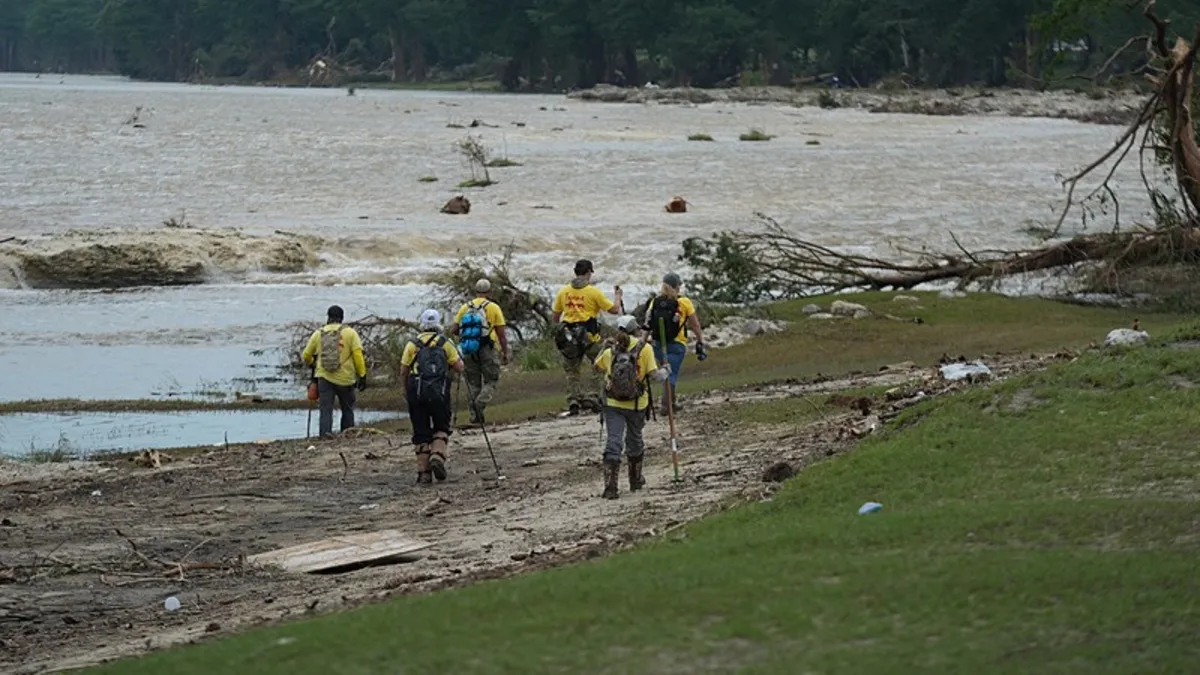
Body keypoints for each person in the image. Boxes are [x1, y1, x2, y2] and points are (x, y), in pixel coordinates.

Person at [593, 315, 670, 499]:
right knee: (634, 440)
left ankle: (610, 487)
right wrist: (666, 370)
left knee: (614, 441)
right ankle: (635, 480)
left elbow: (596, 367)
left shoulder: (611, 350)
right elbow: (655, 376)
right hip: (637, 404)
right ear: (636, 329)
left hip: (612, 403)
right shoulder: (645, 349)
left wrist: (603, 347)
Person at [399, 309, 465, 484]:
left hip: (416, 391)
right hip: (440, 391)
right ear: (438, 324)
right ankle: (437, 454)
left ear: (422, 324)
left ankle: (424, 473)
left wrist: (405, 389)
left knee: (420, 430)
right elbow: (459, 367)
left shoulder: (412, 344)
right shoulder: (445, 343)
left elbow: (404, 370)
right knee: (441, 425)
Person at [552, 259, 624, 415]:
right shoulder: (593, 292)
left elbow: (556, 317)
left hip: (569, 337)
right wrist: (618, 296)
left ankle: (573, 400)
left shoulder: (563, 292)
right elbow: (614, 310)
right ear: (588, 272)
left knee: (572, 371)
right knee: (600, 364)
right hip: (589, 337)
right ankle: (593, 395)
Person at [642, 272, 707, 415]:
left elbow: (647, 323)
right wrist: (700, 340)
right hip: (677, 344)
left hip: (658, 345)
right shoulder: (684, 302)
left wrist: (642, 342)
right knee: (671, 374)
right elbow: (695, 324)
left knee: (666, 371)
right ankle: (666, 406)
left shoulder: (655, 301)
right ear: (677, 286)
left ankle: (672, 403)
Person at [301, 305, 367, 438]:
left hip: (324, 378)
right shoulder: (350, 333)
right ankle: (348, 436)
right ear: (342, 318)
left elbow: (306, 355)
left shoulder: (319, 333)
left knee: (325, 410)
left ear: (328, 317)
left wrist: (313, 363)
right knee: (347, 409)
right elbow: (358, 356)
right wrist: (362, 375)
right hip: (346, 379)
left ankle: (325, 437)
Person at [450, 279, 509, 425]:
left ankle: (475, 417)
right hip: (488, 348)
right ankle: (480, 403)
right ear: (489, 292)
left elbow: (454, 330)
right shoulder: (493, 307)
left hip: (469, 349)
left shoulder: (465, 307)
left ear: (475, 291)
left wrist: (468, 337)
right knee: (491, 380)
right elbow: (501, 334)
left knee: (473, 383)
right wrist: (505, 352)